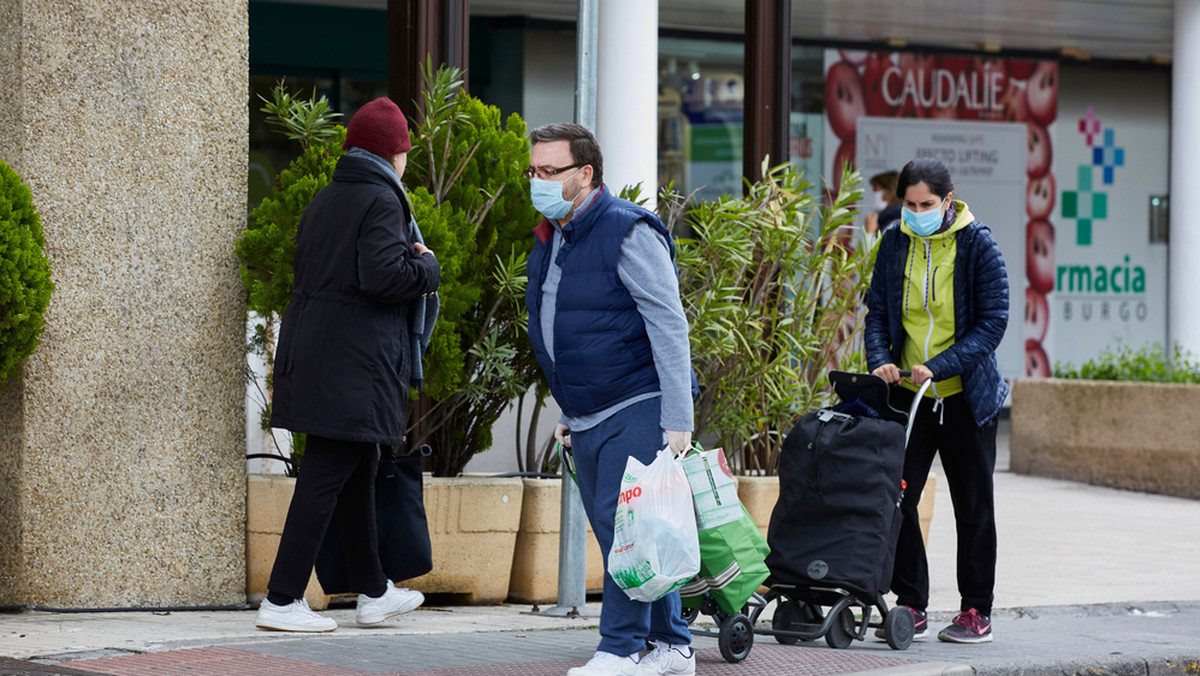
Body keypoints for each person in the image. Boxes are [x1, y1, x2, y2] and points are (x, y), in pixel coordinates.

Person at [255, 96, 441, 633]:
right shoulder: (381, 200)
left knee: (357, 473)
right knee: (323, 478)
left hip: (323, 354)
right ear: (393, 153)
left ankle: (375, 590)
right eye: (405, 150)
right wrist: (426, 267)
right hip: (353, 365)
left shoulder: (329, 198)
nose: (407, 160)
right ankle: (283, 598)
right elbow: (384, 277)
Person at [524, 122, 696, 676]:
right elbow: (563, 327)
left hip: (636, 401)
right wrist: (568, 411)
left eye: (551, 172)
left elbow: (668, 323)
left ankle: (618, 649)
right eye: (534, 171)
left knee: (624, 526)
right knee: (632, 533)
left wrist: (677, 418)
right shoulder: (553, 235)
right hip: (587, 412)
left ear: (586, 174)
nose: (539, 181)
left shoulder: (627, 230)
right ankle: (673, 645)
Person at [864, 157, 1009, 644]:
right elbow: (877, 313)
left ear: (949, 198)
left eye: (927, 203)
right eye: (909, 203)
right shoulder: (894, 242)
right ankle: (912, 604)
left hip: (964, 397)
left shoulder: (977, 244)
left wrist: (942, 366)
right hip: (911, 397)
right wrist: (880, 359)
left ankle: (976, 611)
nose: (917, 211)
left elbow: (993, 323)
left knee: (972, 507)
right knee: (897, 496)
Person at [864, 169, 901, 236]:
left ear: (889, 193)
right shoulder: (885, 220)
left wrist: (869, 233)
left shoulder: (896, 225)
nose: (873, 194)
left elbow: (877, 246)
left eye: (876, 190)